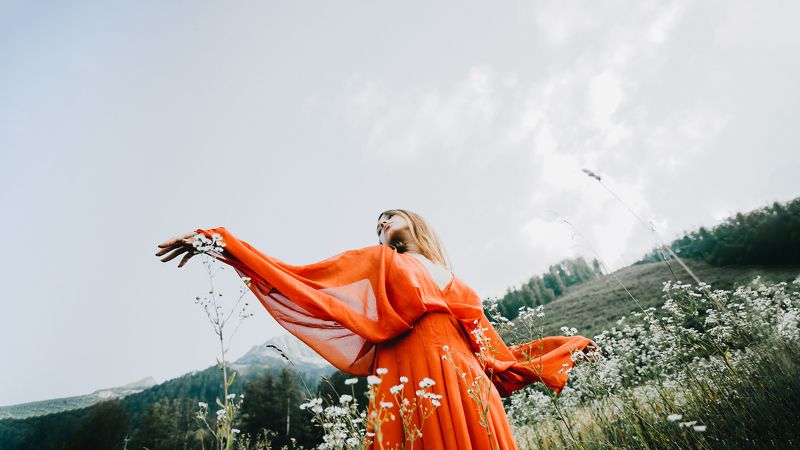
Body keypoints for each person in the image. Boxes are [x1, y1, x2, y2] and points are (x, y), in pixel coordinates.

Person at [156, 209, 598, 450]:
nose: (381, 225)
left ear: (415, 221)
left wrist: (566, 349)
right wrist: (221, 244)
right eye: (377, 226)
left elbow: (494, 351)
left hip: (467, 383)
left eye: (388, 217)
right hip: (408, 378)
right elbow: (303, 279)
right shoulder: (380, 262)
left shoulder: (455, 280)